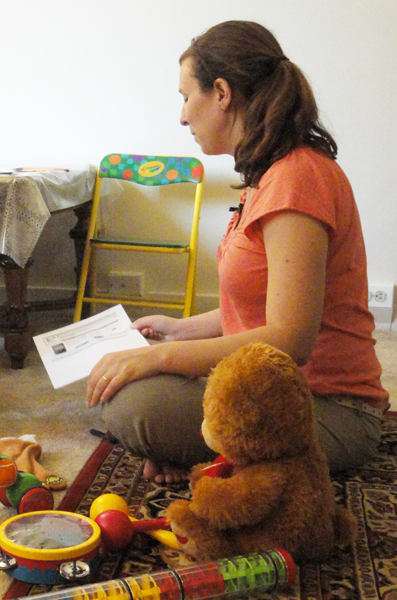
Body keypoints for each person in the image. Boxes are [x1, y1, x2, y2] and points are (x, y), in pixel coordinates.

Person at [88, 21, 389, 483]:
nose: (183, 116)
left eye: (187, 96)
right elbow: (254, 308)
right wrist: (180, 331)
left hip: (329, 406)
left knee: (132, 406)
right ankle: (201, 448)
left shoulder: (296, 178)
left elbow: (290, 339)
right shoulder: (272, 173)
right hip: (268, 386)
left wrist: (159, 358)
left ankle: (195, 448)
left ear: (223, 93)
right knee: (120, 380)